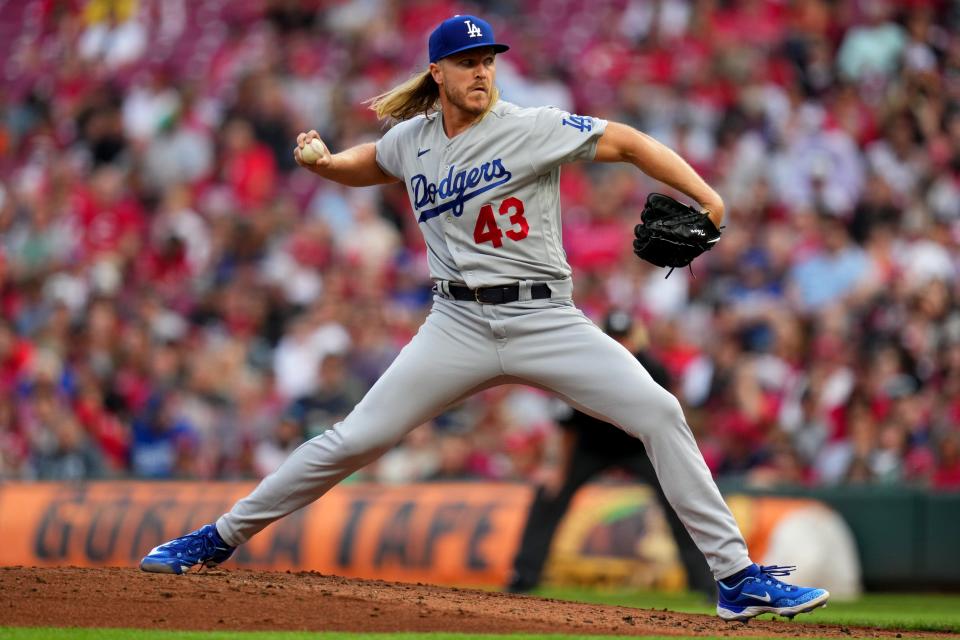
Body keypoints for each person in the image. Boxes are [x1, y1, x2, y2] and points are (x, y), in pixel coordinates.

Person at [140, 14, 830, 621]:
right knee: (355, 440)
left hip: (545, 320)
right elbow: (368, 163)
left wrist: (706, 196)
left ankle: (737, 579)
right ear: (436, 72)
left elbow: (627, 141)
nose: (482, 71)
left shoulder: (530, 126)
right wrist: (323, 164)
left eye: (488, 60)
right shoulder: (412, 140)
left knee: (658, 412)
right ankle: (216, 538)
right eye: (469, 62)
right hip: (457, 325)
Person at [506, 310, 715, 598]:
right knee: (549, 495)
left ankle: (704, 583)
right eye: (613, 338)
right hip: (591, 447)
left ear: (635, 339)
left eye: (624, 338)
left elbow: (669, 423)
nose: (620, 344)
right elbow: (568, 427)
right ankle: (524, 576)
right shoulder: (582, 369)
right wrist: (556, 469)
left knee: (679, 501)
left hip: (640, 447)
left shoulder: (654, 370)